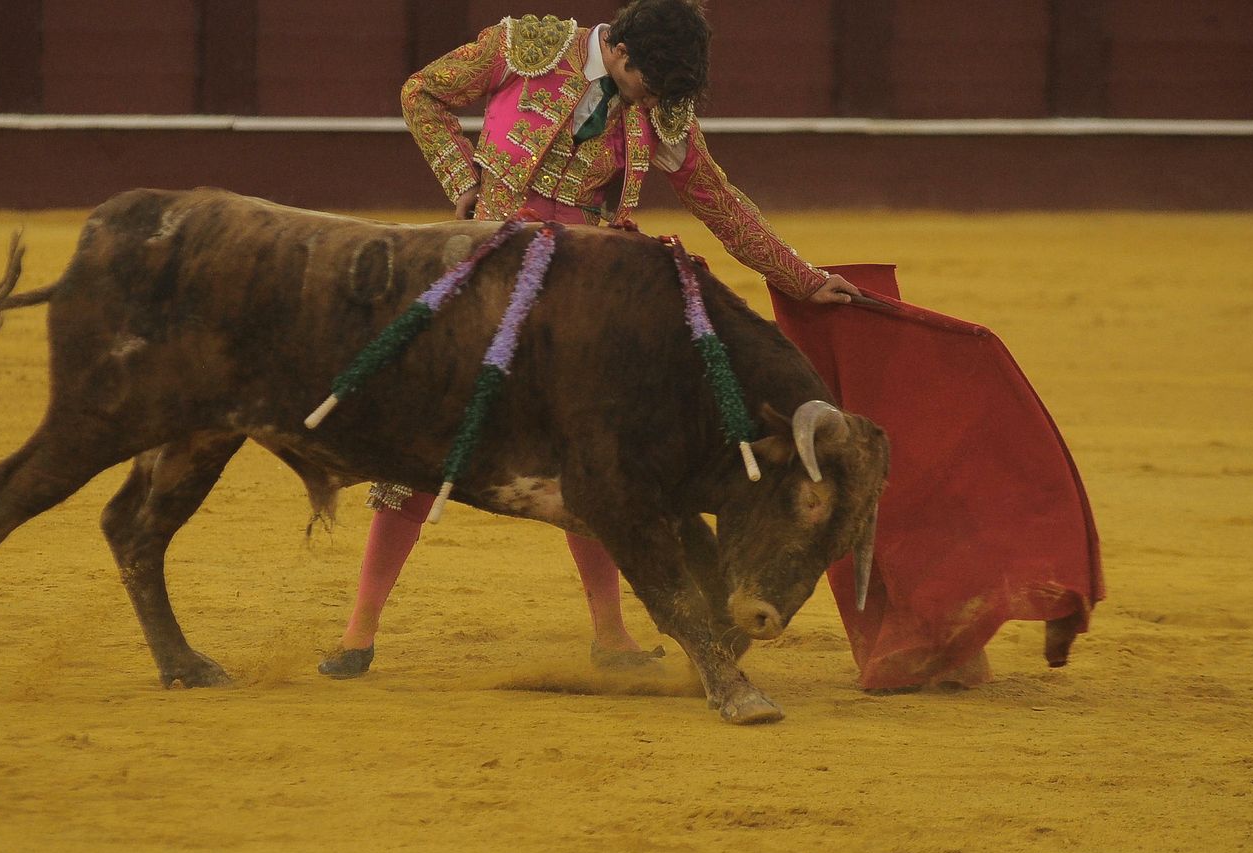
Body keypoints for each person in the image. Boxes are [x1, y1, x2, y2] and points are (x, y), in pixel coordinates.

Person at [318, 0, 868, 678]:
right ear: (621, 53)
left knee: (601, 456)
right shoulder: (524, 47)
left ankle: (611, 635)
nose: (652, 104)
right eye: (646, 87)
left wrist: (803, 278)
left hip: (583, 295)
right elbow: (421, 92)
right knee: (431, 437)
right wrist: (463, 181)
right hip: (489, 273)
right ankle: (359, 630)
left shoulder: (660, 105)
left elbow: (718, 201)